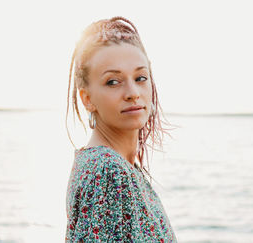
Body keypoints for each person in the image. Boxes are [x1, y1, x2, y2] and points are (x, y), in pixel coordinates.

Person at [64, 16, 177, 242]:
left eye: (140, 78)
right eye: (113, 82)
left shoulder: (109, 164)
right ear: (87, 99)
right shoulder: (107, 171)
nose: (133, 92)